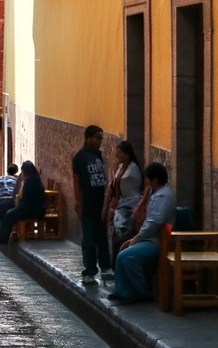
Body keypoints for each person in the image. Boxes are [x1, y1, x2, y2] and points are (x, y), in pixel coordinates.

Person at [108, 163, 174, 304]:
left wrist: (137, 238)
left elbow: (154, 222)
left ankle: (142, 292)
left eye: (148, 179)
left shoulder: (164, 196)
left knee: (128, 256)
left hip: (157, 240)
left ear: (155, 181)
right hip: (148, 237)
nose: (146, 182)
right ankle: (123, 290)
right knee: (121, 248)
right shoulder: (154, 193)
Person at [72, 124, 113, 281]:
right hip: (87, 203)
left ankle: (105, 267)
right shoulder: (79, 158)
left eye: (101, 138)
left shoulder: (98, 155)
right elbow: (76, 181)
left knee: (102, 236)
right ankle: (89, 270)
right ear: (88, 138)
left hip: (100, 203)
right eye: (97, 138)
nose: (100, 141)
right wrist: (78, 201)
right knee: (89, 237)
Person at [0, 161, 46, 243]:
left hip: (32, 210)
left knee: (10, 214)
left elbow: (27, 199)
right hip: (32, 208)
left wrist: (18, 205)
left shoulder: (30, 181)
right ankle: (1, 233)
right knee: (8, 211)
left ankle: (4, 236)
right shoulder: (34, 179)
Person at [107, 140, 144, 258]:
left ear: (127, 154)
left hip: (129, 205)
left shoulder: (133, 169)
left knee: (124, 235)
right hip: (120, 205)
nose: (117, 155)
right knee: (116, 235)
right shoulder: (121, 167)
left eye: (120, 152)